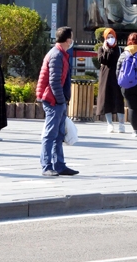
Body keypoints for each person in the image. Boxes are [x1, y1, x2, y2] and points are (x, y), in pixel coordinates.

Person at [36, 26, 79, 176]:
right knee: (50, 134)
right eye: (71, 37)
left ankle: (59, 165)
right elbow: (54, 82)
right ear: (68, 40)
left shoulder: (61, 54)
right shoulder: (57, 55)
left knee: (59, 134)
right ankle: (46, 166)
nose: (72, 40)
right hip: (53, 100)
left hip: (57, 100)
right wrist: (61, 100)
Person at [97, 28, 125, 133]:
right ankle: (110, 124)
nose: (110, 39)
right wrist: (106, 49)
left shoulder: (120, 49)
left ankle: (121, 124)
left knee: (119, 100)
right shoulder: (101, 49)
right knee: (106, 100)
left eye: (112, 37)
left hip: (118, 77)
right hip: (106, 77)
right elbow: (102, 60)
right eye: (108, 37)